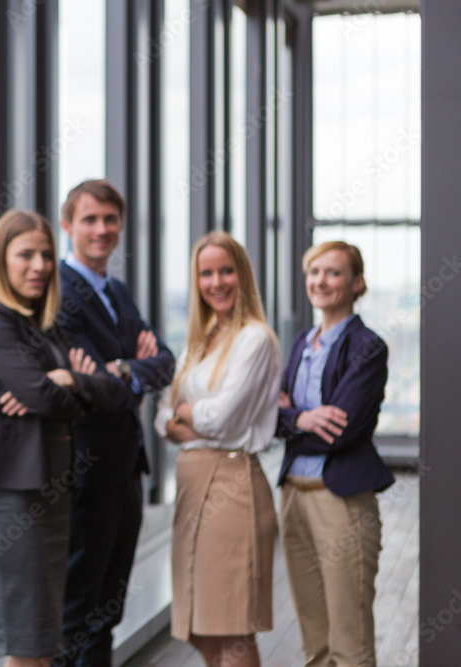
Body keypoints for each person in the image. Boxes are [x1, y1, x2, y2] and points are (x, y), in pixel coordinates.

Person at [0, 210, 121, 667]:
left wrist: (66, 381)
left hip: (49, 497)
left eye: (47, 255)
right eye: (25, 254)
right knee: (28, 647)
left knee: (43, 645)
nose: (39, 265)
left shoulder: (45, 326)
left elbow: (108, 390)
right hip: (14, 500)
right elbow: (44, 397)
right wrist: (61, 385)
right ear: (2, 260)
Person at [53, 179, 175, 666]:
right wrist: (130, 370)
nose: (102, 229)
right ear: (67, 225)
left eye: (110, 219)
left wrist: (119, 369)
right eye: (90, 219)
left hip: (126, 471)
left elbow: (165, 362)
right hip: (85, 473)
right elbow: (89, 387)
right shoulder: (59, 292)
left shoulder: (118, 291)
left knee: (108, 611)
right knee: (75, 612)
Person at [154, 231, 281, 667]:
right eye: (206, 273)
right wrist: (185, 418)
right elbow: (161, 417)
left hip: (232, 486)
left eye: (226, 271)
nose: (217, 282)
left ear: (242, 275)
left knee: (231, 627)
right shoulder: (200, 339)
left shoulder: (254, 339)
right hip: (193, 489)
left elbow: (222, 419)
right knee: (197, 624)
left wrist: (184, 413)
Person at [275, 241, 394, 667]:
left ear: (357, 282)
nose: (320, 281)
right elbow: (267, 418)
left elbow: (339, 433)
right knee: (316, 645)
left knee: (349, 643)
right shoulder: (301, 342)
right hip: (293, 495)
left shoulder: (367, 346)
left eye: (334, 272)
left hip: (340, 501)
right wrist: (302, 419)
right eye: (314, 271)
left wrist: (288, 418)